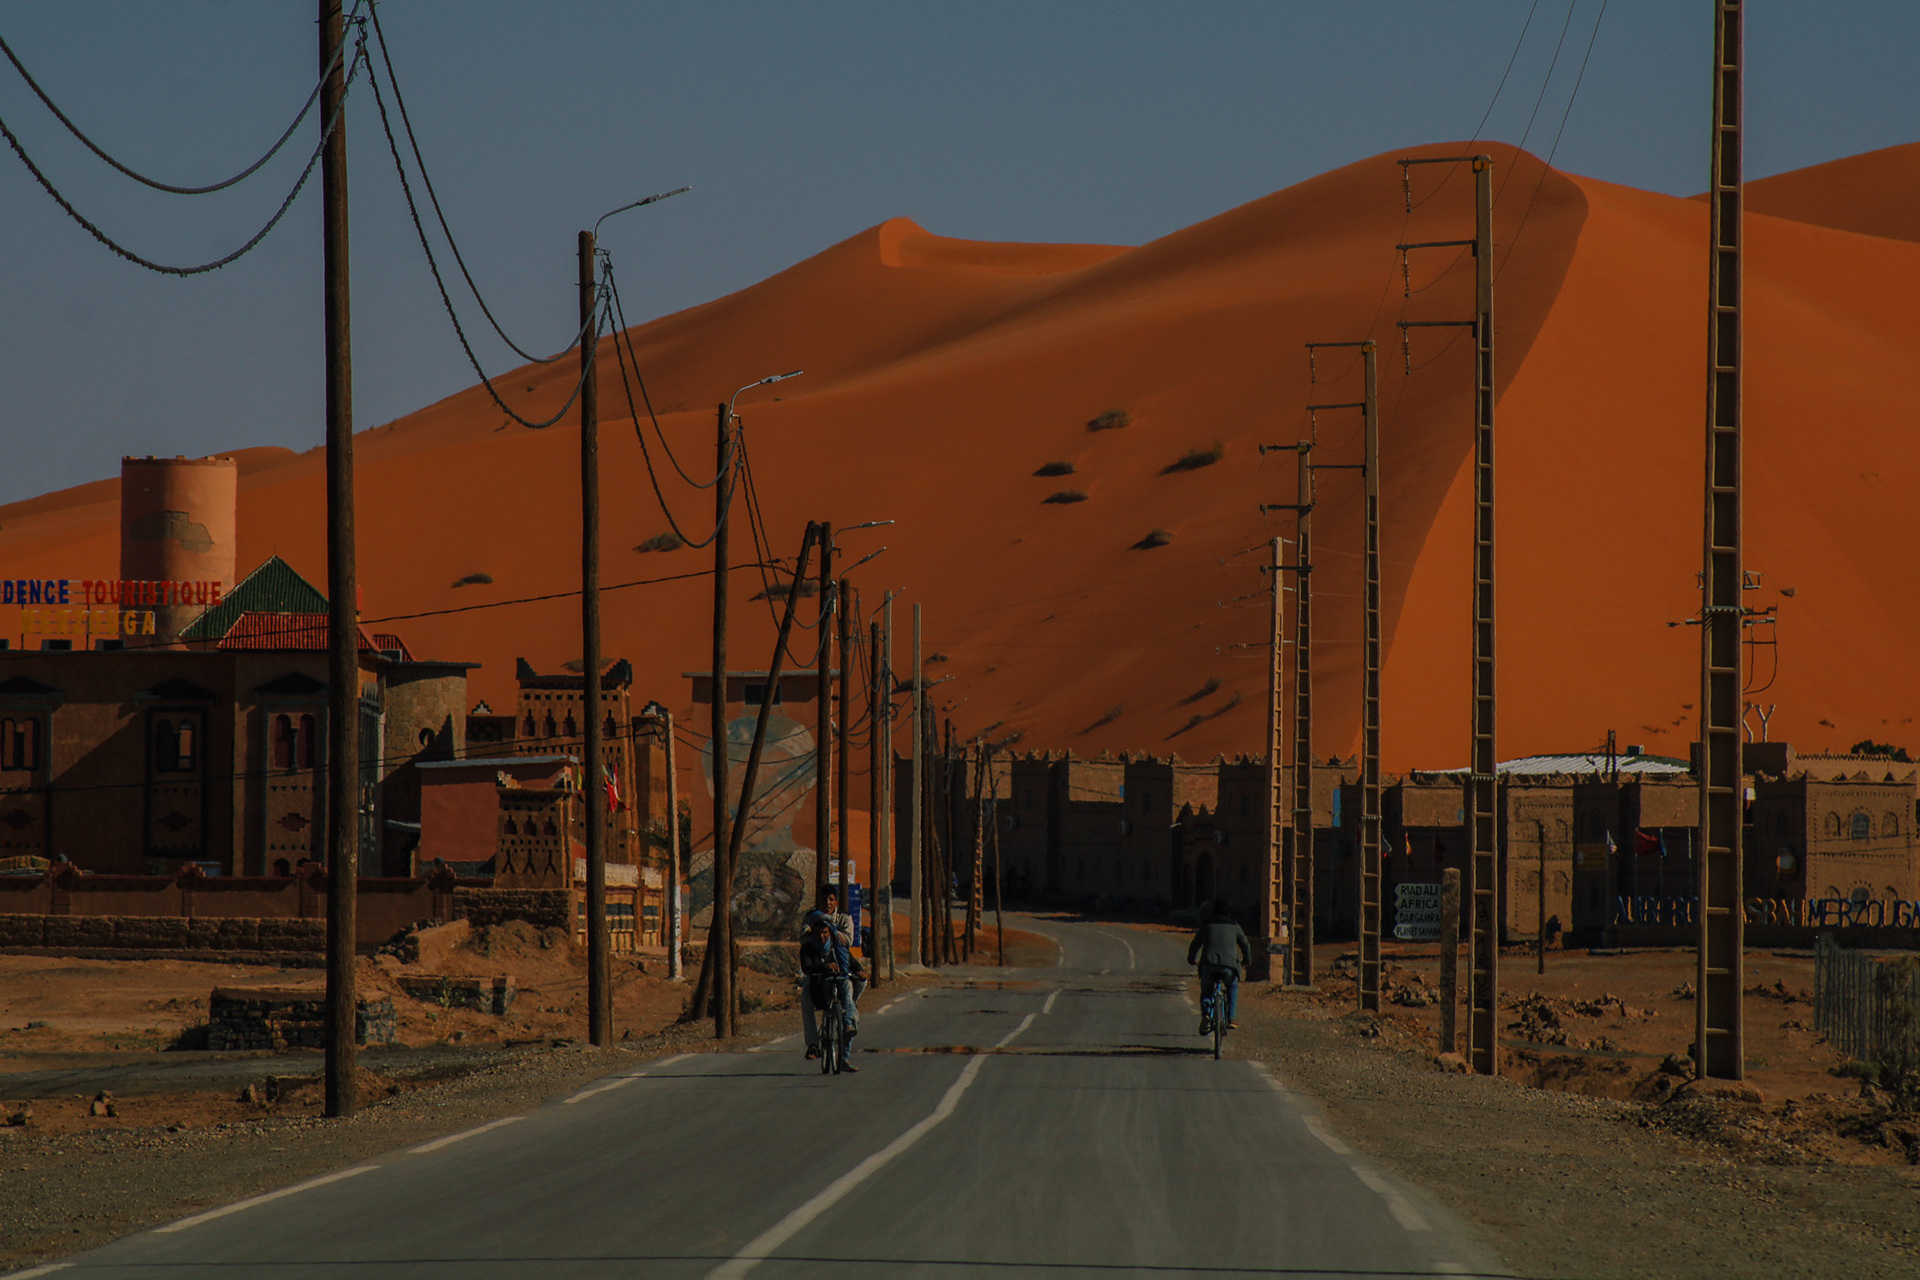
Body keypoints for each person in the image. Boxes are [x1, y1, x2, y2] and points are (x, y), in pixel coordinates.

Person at [799, 887, 863, 1064]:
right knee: (805, 997)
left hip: (841, 966)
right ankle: (813, 1044)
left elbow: (847, 941)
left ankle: (848, 1018)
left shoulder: (844, 917)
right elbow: (804, 938)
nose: (827, 903)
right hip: (818, 969)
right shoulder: (811, 916)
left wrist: (825, 930)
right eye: (824, 899)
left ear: (836, 902)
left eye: (831, 899)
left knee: (851, 990)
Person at [1187, 900, 1251, 1035]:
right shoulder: (1234, 926)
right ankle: (1231, 1018)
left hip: (1208, 964)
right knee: (1232, 986)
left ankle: (1206, 1014)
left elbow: (1195, 944)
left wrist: (1191, 959)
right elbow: (1245, 944)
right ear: (1229, 913)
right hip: (1229, 967)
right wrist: (1247, 960)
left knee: (1206, 991)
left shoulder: (1206, 925)